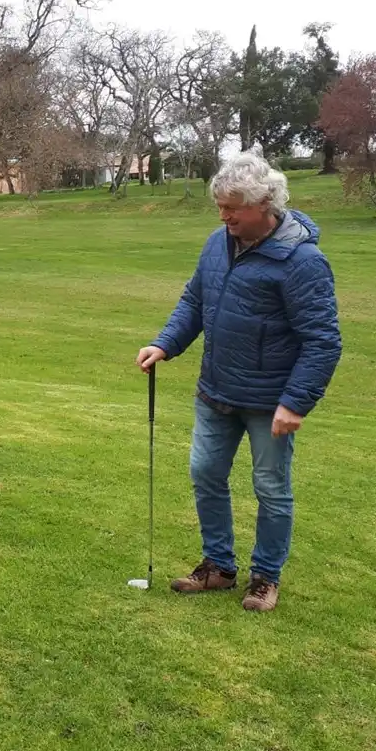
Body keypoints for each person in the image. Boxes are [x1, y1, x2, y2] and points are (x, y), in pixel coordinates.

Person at [136, 153, 342, 612]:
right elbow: (194, 301)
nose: (224, 216)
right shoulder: (217, 243)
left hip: (270, 401)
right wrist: (165, 344)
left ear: (265, 203)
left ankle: (265, 577)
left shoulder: (302, 261)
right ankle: (219, 568)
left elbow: (323, 341)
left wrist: (296, 402)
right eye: (220, 207)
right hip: (216, 391)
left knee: (271, 487)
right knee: (205, 474)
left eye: (233, 208)